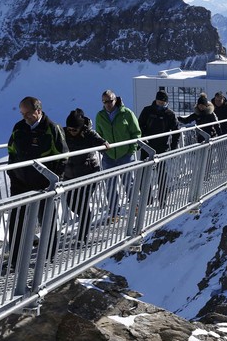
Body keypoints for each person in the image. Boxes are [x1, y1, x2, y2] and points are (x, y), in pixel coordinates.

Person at [7, 96, 69, 268]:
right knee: (17, 220)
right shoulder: (19, 128)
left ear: (38, 111)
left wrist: (54, 179)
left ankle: (49, 257)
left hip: (44, 184)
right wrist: (12, 173)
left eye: (27, 113)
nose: (24, 117)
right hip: (20, 183)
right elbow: (11, 151)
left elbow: (63, 155)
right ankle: (15, 260)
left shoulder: (52, 128)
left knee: (47, 219)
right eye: (22, 113)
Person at [63, 108, 109, 244]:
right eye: (69, 129)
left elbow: (102, 142)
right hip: (70, 176)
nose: (71, 132)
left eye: (74, 129)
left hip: (88, 174)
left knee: (82, 204)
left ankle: (82, 237)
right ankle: (86, 217)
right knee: (71, 203)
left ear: (81, 127)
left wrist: (103, 144)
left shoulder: (88, 133)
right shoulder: (64, 133)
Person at [95, 90, 141, 219]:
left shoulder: (126, 113)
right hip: (108, 156)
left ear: (115, 100)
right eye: (105, 102)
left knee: (129, 183)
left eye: (110, 101)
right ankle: (114, 212)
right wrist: (102, 148)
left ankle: (134, 207)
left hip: (125, 154)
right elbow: (99, 134)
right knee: (110, 185)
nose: (108, 104)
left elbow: (136, 132)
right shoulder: (100, 115)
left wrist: (131, 150)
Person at [138, 90, 180, 206]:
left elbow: (176, 131)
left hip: (162, 148)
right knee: (144, 174)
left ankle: (162, 199)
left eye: (163, 102)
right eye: (159, 101)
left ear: (166, 102)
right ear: (155, 100)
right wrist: (143, 138)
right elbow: (140, 125)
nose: (161, 104)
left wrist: (173, 147)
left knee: (162, 174)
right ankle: (148, 198)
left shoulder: (170, 114)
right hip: (147, 146)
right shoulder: (147, 110)